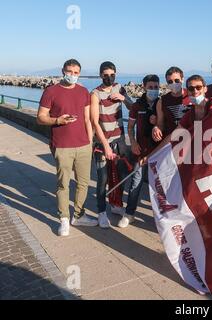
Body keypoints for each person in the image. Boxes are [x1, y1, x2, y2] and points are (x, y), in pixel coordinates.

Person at [37, 59, 98, 237]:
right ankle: (64, 218)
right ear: (62, 71)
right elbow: (40, 117)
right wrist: (57, 120)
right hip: (62, 146)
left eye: (76, 72)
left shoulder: (83, 91)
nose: (72, 75)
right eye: (69, 71)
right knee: (63, 184)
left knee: (83, 183)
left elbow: (87, 119)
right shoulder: (51, 91)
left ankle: (79, 215)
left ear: (80, 73)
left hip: (84, 145)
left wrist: (90, 141)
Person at [90, 61, 132, 228]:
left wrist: (122, 98)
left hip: (120, 140)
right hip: (102, 142)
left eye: (112, 75)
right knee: (103, 178)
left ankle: (115, 205)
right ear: (101, 75)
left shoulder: (120, 88)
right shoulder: (95, 93)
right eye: (106, 75)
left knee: (120, 176)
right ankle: (101, 212)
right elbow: (94, 121)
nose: (109, 77)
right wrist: (105, 146)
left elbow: (133, 106)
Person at [120, 74, 160, 228]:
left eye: (156, 87)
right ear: (144, 87)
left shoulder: (161, 104)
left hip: (158, 152)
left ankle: (160, 218)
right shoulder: (137, 106)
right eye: (150, 87)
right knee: (135, 183)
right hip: (140, 152)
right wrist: (133, 143)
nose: (154, 90)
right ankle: (129, 213)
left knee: (159, 186)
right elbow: (130, 127)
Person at [152, 67, 192, 143]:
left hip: (191, 141)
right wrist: (156, 128)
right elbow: (160, 123)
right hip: (171, 143)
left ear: (182, 79)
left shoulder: (192, 95)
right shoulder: (162, 101)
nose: (174, 84)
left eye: (177, 80)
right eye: (170, 82)